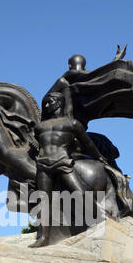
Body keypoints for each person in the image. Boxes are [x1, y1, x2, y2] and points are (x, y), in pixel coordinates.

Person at [30, 90, 107, 248]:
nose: (46, 105)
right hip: (43, 165)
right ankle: (44, 237)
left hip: (63, 162)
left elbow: (87, 143)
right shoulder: (39, 127)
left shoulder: (72, 124)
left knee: (80, 192)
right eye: (46, 102)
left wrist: (99, 157)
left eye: (50, 101)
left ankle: (100, 220)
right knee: (44, 201)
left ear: (59, 103)